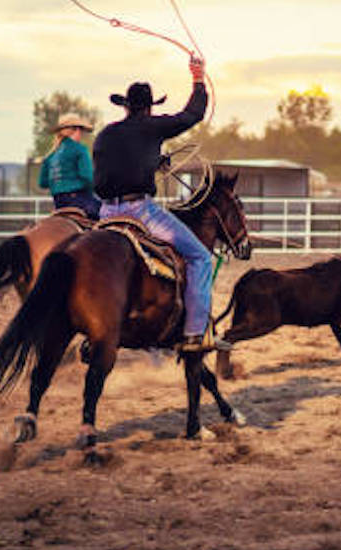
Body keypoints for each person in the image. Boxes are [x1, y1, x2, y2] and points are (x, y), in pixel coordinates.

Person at [92, 56, 213, 354]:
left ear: (125, 106)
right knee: (200, 258)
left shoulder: (106, 134)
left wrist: (150, 162)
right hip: (140, 212)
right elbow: (192, 115)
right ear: (149, 108)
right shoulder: (152, 127)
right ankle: (195, 334)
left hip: (105, 213)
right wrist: (198, 78)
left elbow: (112, 169)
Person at [38, 113, 101, 218]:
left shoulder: (50, 155)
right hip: (79, 201)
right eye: (81, 130)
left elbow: (43, 183)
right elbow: (88, 177)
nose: (81, 134)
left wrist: (60, 184)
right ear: (76, 130)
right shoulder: (79, 150)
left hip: (58, 203)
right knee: (105, 216)